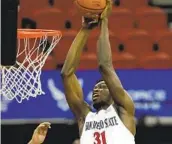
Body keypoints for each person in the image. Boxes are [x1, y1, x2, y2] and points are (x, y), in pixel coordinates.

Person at [61, 0, 136, 143]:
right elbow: (66, 74)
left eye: (102, 87)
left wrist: (104, 22)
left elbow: (104, 66)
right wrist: (85, 30)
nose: (97, 90)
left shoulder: (123, 109)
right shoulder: (85, 116)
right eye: (95, 88)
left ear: (114, 94)